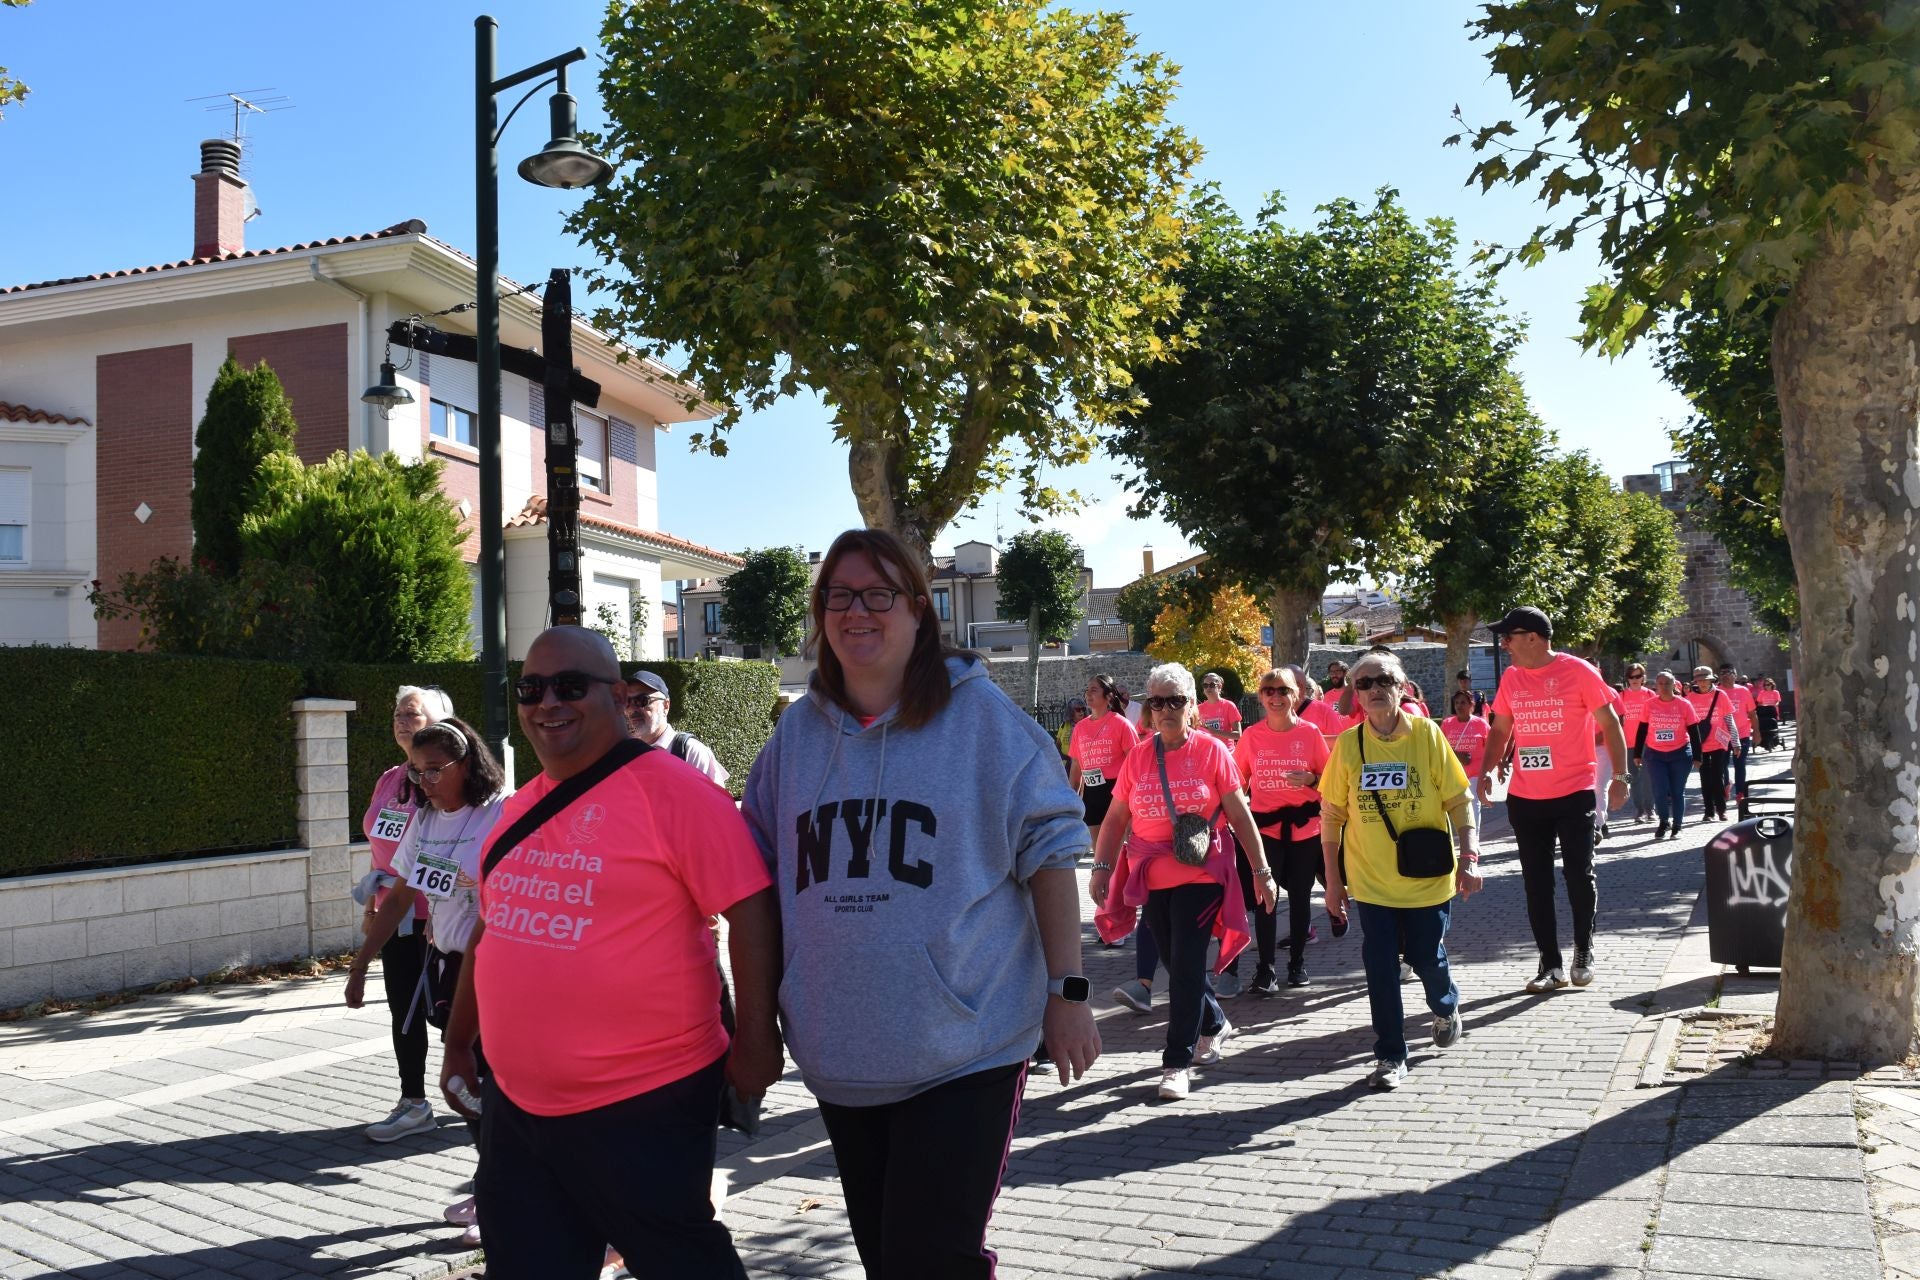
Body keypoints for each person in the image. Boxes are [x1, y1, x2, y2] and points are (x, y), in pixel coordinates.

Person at [742, 529, 1100, 1280]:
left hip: (966, 1046)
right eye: (840, 595)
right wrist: (757, 1022)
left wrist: (1068, 993)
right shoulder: (796, 735)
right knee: (887, 1258)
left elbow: (1051, 851)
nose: (857, 611)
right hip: (841, 1051)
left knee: (928, 1260)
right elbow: (757, 884)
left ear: (917, 609)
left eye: (879, 594)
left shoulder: (982, 721)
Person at [440, 626, 782, 1280]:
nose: (548, 703)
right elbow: (490, 931)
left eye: (570, 685)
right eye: (532, 689)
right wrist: (459, 1042)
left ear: (619, 696)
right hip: (517, 1108)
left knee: (683, 1264)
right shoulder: (516, 810)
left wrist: (758, 1042)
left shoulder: (676, 792)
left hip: (645, 1102)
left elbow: (751, 908)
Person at [346, 716, 506, 1237]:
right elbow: (400, 898)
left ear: (467, 763)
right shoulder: (426, 821)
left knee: (489, 1085)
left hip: (497, 971)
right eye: (417, 772)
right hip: (447, 966)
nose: (424, 782)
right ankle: (495, 1187)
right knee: (469, 1086)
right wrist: (361, 963)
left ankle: (502, 1197)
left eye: (435, 769)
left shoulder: (500, 813)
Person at [1090, 663, 1275, 1101]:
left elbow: (1239, 815)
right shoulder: (1139, 756)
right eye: (1157, 702)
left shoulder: (1212, 751)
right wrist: (1101, 867)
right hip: (1151, 874)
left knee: (1187, 965)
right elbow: (1115, 818)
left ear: (1192, 705)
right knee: (1176, 963)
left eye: (1175, 701)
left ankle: (1176, 1062)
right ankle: (1214, 1022)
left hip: (1202, 873)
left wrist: (1262, 871)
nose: (1165, 709)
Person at [1319, 650, 1480, 1091]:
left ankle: (1444, 1005)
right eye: (1364, 683)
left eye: (1384, 680)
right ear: (1355, 694)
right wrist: (1333, 882)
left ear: (1402, 687)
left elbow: (1458, 799)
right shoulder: (1348, 745)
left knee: (1426, 957)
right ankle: (1390, 1054)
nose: (1374, 689)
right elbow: (1331, 816)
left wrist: (1470, 857)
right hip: (1371, 882)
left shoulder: (1427, 734)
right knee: (1380, 966)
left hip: (1427, 877)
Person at [1477, 607, 1627, 993]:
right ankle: (1550, 964)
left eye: (1509, 636)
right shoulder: (1512, 677)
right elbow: (1500, 729)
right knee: (1536, 883)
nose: (1504, 644)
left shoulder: (1579, 671)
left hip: (1575, 791)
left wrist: (1620, 777)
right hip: (1526, 797)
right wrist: (1487, 770)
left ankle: (1583, 950)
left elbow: (1610, 723)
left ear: (1533, 638)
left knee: (1578, 875)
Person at [356, 684, 454, 1144]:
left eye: (412, 714)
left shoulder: (447, 780)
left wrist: (438, 906)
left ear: (440, 723)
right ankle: (413, 1102)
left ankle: (485, 1096)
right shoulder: (389, 778)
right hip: (393, 913)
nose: (401, 720)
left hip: (438, 916)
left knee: (449, 1012)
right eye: (398, 713)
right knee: (404, 1011)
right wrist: (372, 905)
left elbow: (453, 845)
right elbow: (380, 847)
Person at [1230, 667, 1331, 991]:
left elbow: (1331, 781)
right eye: (1269, 691)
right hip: (1266, 829)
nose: (1276, 697)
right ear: (1261, 697)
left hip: (1305, 828)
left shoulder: (1310, 733)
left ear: (1296, 695)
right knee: (1266, 898)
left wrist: (1312, 779)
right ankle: (1266, 969)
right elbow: (1237, 783)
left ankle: (1297, 964)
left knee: (1300, 897)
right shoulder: (1251, 736)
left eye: (1283, 690)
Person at [625, 668, 729, 787]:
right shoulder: (627, 753)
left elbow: (713, 798)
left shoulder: (691, 752)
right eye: (627, 702)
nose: (631, 709)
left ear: (665, 706)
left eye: (642, 700)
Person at [1631, 672, 1700, 839]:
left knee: (1677, 791)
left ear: (1674, 685)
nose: (1663, 686)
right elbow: (1642, 729)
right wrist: (1637, 753)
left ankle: (1677, 825)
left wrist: (1698, 756)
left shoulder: (1684, 704)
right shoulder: (1649, 704)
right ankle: (1663, 821)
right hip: (1655, 754)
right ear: (1656, 686)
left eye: (1667, 683)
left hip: (1680, 753)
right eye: (1660, 683)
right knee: (1659, 791)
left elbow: (1694, 731)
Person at [1685, 666, 1741, 822]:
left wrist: (1736, 742)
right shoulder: (1689, 698)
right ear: (1695, 682)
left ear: (1711, 680)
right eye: (1699, 680)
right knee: (1705, 779)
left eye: (1706, 680)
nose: (1703, 683)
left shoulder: (1720, 695)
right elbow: (1685, 723)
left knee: (1718, 777)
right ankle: (1708, 811)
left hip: (1719, 742)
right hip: (1700, 744)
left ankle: (1721, 810)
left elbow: (1729, 719)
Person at [1441, 690, 1491, 831]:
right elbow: (1440, 747)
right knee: (1456, 805)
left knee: (1474, 803)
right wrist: (1457, 754)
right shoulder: (1447, 724)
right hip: (1454, 773)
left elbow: (1491, 747)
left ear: (1471, 705)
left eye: (1463, 702)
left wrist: (1491, 770)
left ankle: (1474, 838)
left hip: (1475, 773)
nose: (1459, 706)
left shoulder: (1481, 724)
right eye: (1456, 703)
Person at [1617, 665, 1655, 822]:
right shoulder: (1621, 696)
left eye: (1638, 676)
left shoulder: (1650, 694)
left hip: (1648, 742)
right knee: (1632, 778)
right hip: (1628, 744)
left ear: (1643, 677)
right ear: (1627, 678)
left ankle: (1650, 809)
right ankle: (1639, 810)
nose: (1634, 679)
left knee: (1648, 777)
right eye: (1631, 677)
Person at [1718, 664, 1756, 813]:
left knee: (1740, 764)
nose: (1725, 675)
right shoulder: (1716, 692)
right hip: (1722, 735)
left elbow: (1752, 713)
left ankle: (1740, 793)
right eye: (1722, 673)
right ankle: (1726, 785)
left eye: (1728, 672)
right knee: (1722, 765)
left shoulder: (1744, 691)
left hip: (1742, 734)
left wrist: (1757, 732)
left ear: (1735, 675)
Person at [1195, 671, 1244, 745]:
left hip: (1226, 750)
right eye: (1205, 685)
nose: (1208, 688)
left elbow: (1238, 735)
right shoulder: (1198, 709)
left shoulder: (1229, 706)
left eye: (1212, 685)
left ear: (1219, 686)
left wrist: (1213, 731)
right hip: (1207, 751)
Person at [1055, 696, 1088, 765]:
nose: (1081, 712)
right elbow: (1058, 744)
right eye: (1078, 709)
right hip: (1067, 762)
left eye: (1083, 709)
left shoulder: (1088, 725)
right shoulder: (1064, 725)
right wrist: (1061, 758)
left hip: (1083, 762)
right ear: (1071, 711)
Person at [1754, 676, 1784, 750]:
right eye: (1765, 685)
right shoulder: (1762, 692)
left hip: (1772, 711)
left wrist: (1775, 705)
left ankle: (1775, 741)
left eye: (1768, 685)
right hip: (1764, 712)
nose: (1766, 686)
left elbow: (1777, 701)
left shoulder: (1776, 692)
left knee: (1774, 726)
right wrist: (1761, 707)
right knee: (1764, 726)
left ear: (1772, 685)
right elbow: (1759, 702)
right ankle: (1764, 742)